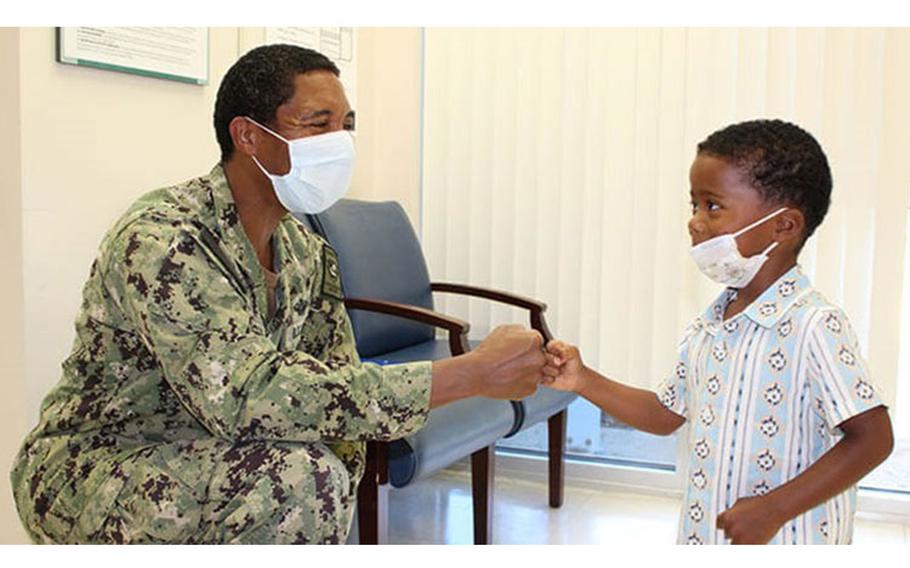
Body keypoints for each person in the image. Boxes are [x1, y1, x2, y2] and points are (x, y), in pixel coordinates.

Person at [10, 44, 547, 544]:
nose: (339, 144)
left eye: (346, 127)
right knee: (298, 482)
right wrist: (470, 373)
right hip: (101, 462)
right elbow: (247, 395)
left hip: (215, 451)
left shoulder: (305, 251)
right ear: (248, 136)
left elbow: (336, 384)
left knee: (323, 465)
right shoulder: (165, 238)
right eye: (318, 125)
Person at [542, 119, 894, 545]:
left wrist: (774, 509)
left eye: (712, 205)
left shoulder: (815, 325)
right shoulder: (709, 326)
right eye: (694, 205)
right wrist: (582, 379)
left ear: (783, 226)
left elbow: (873, 439)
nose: (694, 222)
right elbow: (667, 414)